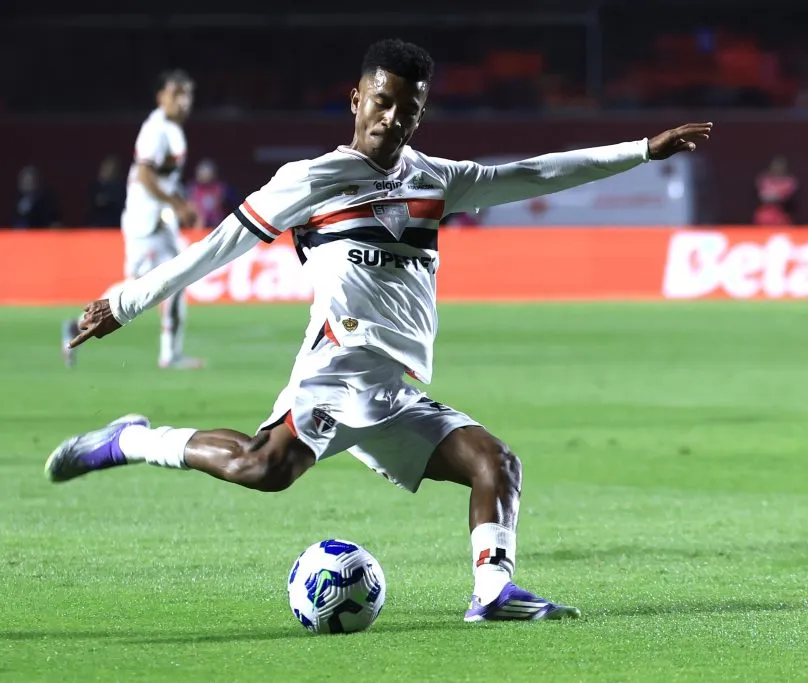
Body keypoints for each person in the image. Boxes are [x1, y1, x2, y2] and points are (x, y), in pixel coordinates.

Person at [45, 39, 712, 623]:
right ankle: (130, 438)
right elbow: (217, 246)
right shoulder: (310, 180)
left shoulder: (436, 181)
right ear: (357, 98)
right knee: (261, 468)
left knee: (496, 463)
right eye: (383, 101)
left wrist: (642, 150)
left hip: (393, 389)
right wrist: (126, 301)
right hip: (334, 368)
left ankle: (494, 591)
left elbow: (535, 171)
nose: (393, 119)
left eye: (409, 109)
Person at [62, 69, 202, 369]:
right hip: (145, 220)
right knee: (136, 285)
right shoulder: (155, 129)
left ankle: (171, 354)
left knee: (179, 277)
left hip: (160, 220)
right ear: (161, 96)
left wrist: (179, 202)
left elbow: (164, 176)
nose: (184, 101)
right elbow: (144, 173)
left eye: (188, 94)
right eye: (177, 93)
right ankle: (78, 325)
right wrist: (177, 204)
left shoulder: (172, 129)